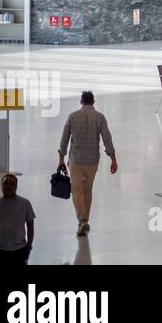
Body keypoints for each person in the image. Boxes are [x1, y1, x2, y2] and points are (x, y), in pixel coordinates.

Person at [57, 90, 117, 237]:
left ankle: (82, 220)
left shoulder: (72, 116)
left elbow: (64, 139)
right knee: (87, 190)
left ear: (81, 101)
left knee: (76, 190)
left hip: (76, 161)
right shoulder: (100, 117)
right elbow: (107, 138)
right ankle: (85, 220)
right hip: (92, 161)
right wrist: (113, 159)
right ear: (94, 102)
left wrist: (61, 159)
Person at [0, 174, 34, 266]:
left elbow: (30, 227)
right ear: (1, 186)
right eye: (5, 183)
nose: (8, 186)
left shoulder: (25, 204)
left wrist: (29, 246)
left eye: (12, 184)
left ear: (16, 186)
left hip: (20, 250)